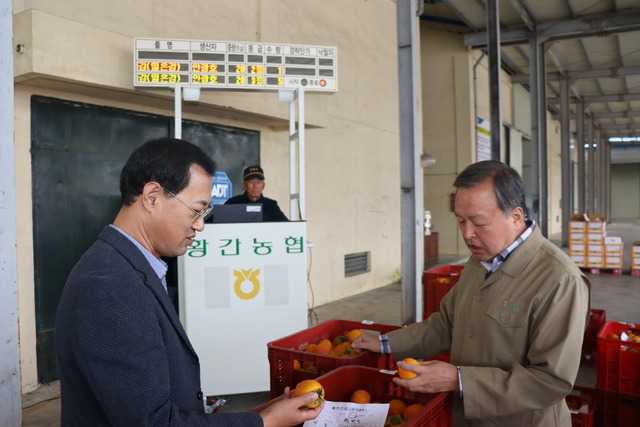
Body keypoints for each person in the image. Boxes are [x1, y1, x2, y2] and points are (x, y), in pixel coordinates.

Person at [54, 138, 323, 426]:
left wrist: (262, 414)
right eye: (196, 210)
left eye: (204, 213)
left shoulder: (130, 265)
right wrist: (264, 422)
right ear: (152, 196)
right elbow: (155, 422)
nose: (200, 225)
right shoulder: (109, 287)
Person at [352, 160, 590, 426]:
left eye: (479, 223)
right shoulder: (479, 262)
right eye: (461, 221)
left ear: (516, 216)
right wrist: (386, 343)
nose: (467, 234)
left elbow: (551, 381)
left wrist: (459, 379)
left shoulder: (559, 280)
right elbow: (447, 323)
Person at [224, 165, 289, 221]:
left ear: (263, 186)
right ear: (244, 185)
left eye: (258, 182)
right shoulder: (233, 203)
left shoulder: (271, 205)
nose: (255, 186)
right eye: (251, 182)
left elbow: (285, 225)